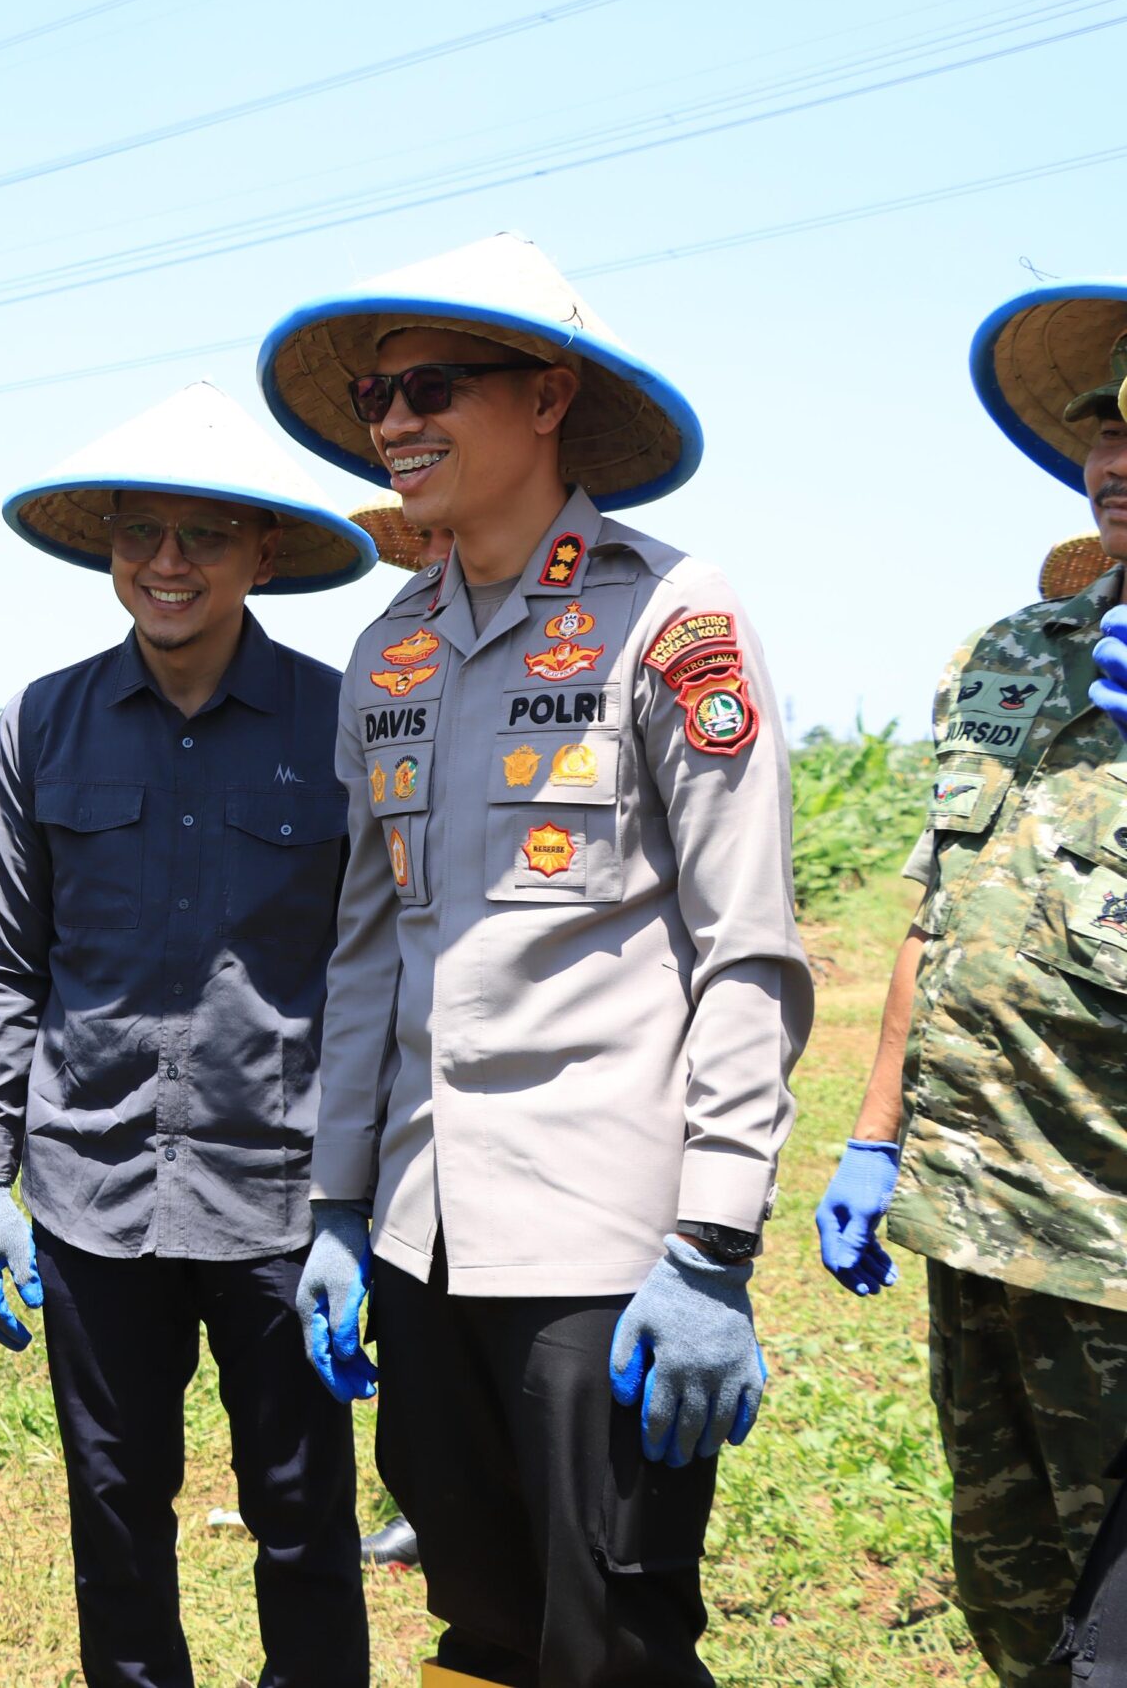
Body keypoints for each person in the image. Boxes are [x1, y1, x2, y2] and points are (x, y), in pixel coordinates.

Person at [260, 234, 812, 1688]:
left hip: (602, 1240)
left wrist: (711, 1247)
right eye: (378, 394)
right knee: (479, 1620)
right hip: (423, 1229)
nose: (393, 424)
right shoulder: (389, 649)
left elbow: (745, 948)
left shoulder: (670, 618)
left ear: (550, 393)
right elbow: (369, 948)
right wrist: (333, 1203)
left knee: (612, 1635)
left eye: (433, 385)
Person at [0, 380, 376, 1688]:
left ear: (262, 552)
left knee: (306, 1521)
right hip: (93, 1193)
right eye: (143, 533)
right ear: (110, 551)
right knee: (115, 1517)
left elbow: (381, 971)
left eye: (205, 534)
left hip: (284, 1196)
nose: (169, 562)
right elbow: (4, 963)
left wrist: (366, 1204)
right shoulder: (42, 723)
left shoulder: (345, 724)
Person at [816, 282, 1127, 1687]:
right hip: (973, 1204)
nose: (1112, 455)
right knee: (1015, 1600)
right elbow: (937, 902)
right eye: (1098, 429)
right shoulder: (1012, 651)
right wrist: (877, 1133)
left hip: (1112, 1235)